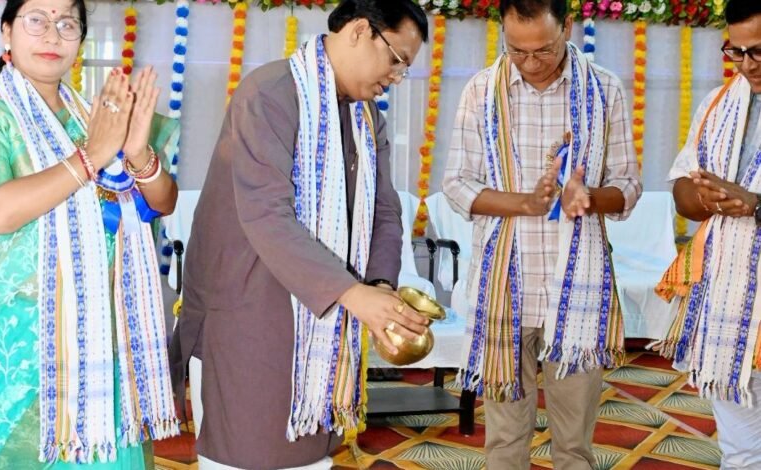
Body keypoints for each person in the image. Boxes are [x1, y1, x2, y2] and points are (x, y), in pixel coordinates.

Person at [169, 1, 430, 468]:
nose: (396, 76)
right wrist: (352, 293)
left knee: (312, 460)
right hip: (249, 315)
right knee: (244, 456)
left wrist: (379, 288)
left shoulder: (367, 118)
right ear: (359, 31)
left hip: (323, 319)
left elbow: (384, 211)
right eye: (396, 59)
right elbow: (267, 215)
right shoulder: (270, 93)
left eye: (404, 68)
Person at [0, 0, 181, 467]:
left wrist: (137, 153)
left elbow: (162, 202)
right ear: (7, 32)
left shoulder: (95, 116)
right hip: (22, 347)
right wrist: (90, 157)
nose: (52, 35)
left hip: (102, 338)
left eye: (67, 23)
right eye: (37, 20)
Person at [442, 0, 641, 468]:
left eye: (544, 50)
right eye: (517, 51)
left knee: (573, 444)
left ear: (567, 26)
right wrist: (526, 204)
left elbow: (628, 186)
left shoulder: (604, 89)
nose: (530, 63)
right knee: (504, 441)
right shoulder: (481, 90)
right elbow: (457, 183)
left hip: (578, 290)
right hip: (505, 287)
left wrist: (588, 196)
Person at [654, 1, 761, 467]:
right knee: (740, 449)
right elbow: (682, 192)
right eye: (736, 51)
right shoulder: (718, 105)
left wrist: (755, 204)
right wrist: (710, 199)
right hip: (729, 301)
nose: (747, 64)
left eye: (758, 51)